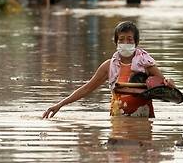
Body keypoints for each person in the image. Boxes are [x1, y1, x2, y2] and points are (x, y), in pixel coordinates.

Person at [42, 21, 176, 118]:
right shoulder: (109, 66)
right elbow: (87, 88)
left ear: (136, 42)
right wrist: (60, 104)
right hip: (117, 118)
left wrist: (169, 83)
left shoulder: (146, 64)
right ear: (116, 43)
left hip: (143, 119)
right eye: (122, 40)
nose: (126, 43)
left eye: (129, 39)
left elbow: (163, 85)